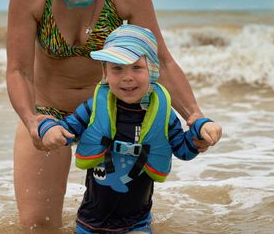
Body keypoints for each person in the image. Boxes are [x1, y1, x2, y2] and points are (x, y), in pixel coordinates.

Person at [6, 0, 215, 229]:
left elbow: (160, 60)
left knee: (119, 224)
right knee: (36, 225)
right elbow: (18, 71)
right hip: (47, 114)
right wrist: (33, 122)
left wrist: (195, 116)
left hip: (114, 114)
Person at [38, 25, 222, 233]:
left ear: (152, 70)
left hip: (138, 224)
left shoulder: (162, 114)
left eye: (136, 67)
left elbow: (183, 150)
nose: (127, 76)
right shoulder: (94, 107)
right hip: (90, 223)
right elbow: (65, 130)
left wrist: (200, 131)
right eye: (117, 68)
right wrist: (48, 129)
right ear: (105, 72)